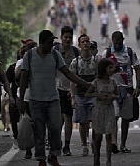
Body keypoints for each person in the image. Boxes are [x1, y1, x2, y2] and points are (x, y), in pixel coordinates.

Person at [18, 29, 92, 166]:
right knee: (39, 130)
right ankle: (41, 158)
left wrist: (84, 83)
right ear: (42, 42)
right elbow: (23, 78)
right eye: (49, 42)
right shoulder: (29, 56)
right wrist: (21, 99)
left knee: (56, 127)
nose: (52, 44)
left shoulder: (55, 55)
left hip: (53, 98)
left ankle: (53, 155)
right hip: (35, 99)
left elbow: (67, 73)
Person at [101, 31, 140, 154]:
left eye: (120, 43)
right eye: (116, 43)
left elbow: (137, 69)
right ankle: (114, 143)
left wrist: (138, 86)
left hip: (128, 89)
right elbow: (101, 70)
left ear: (123, 40)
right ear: (112, 41)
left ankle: (123, 144)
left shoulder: (129, 52)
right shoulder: (107, 53)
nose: (118, 46)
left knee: (125, 118)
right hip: (112, 90)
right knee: (114, 116)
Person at [69, 34, 99, 157]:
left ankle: (94, 143)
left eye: (87, 41)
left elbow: (99, 78)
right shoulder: (75, 62)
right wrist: (72, 97)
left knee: (95, 121)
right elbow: (72, 81)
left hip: (93, 95)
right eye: (83, 42)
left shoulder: (96, 61)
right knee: (82, 122)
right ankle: (84, 145)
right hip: (80, 95)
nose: (86, 44)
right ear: (79, 45)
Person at [85, 58, 119, 166]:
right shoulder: (96, 82)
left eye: (112, 67)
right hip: (99, 110)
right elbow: (87, 94)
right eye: (110, 67)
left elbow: (116, 94)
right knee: (98, 136)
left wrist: (112, 97)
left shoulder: (113, 81)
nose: (112, 69)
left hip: (109, 109)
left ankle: (108, 160)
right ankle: (97, 156)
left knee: (109, 135)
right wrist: (97, 95)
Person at [54, 26, 80, 156]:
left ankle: (67, 145)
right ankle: (56, 142)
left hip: (70, 90)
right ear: (61, 37)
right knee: (58, 119)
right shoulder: (55, 51)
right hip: (56, 88)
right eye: (66, 37)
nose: (68, 40)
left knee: (68, 117)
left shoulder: (75, 52)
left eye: (70, 37)